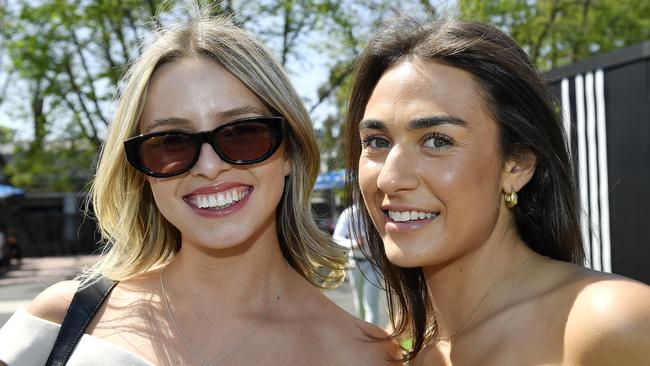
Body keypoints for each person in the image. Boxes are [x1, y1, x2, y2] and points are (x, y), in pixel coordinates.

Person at [0, 13, 398, 366]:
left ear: (290, 150)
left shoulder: (365, 354)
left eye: (243, 134)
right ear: (141, 171)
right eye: (170, 142)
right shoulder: (59, 321)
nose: (210, 167)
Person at [342, 16, 650, 365]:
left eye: (437, 140)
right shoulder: (411, 346)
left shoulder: (610, 323)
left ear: (516, 165)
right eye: (377, 141)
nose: (388, 179)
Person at [333, 205, 382, 325]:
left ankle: (372, 335)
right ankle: (363, 330)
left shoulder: (376, 209)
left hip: (374, 263)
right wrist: (353, 243)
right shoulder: (349, 213)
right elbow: (337, 237)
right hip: (355, 262)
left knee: (371, 302)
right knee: (359, 300)